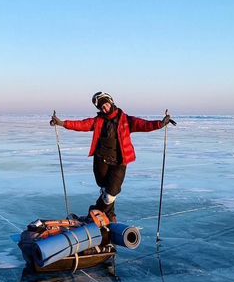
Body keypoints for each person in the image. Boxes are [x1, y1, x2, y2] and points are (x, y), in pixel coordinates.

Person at [50, 91, 174, 223]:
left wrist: (160, 124)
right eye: (102, 107)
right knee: (105, 190)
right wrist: (62, 123)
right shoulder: (98, 121)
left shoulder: (126, 120)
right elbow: (82, 124)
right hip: (101, 160)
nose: (105, 108)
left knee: (110, 195)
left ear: (111, 102)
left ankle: (95, 211)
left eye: (106, 105)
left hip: (119, 162)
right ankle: (109, 215)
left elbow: (144, 125)